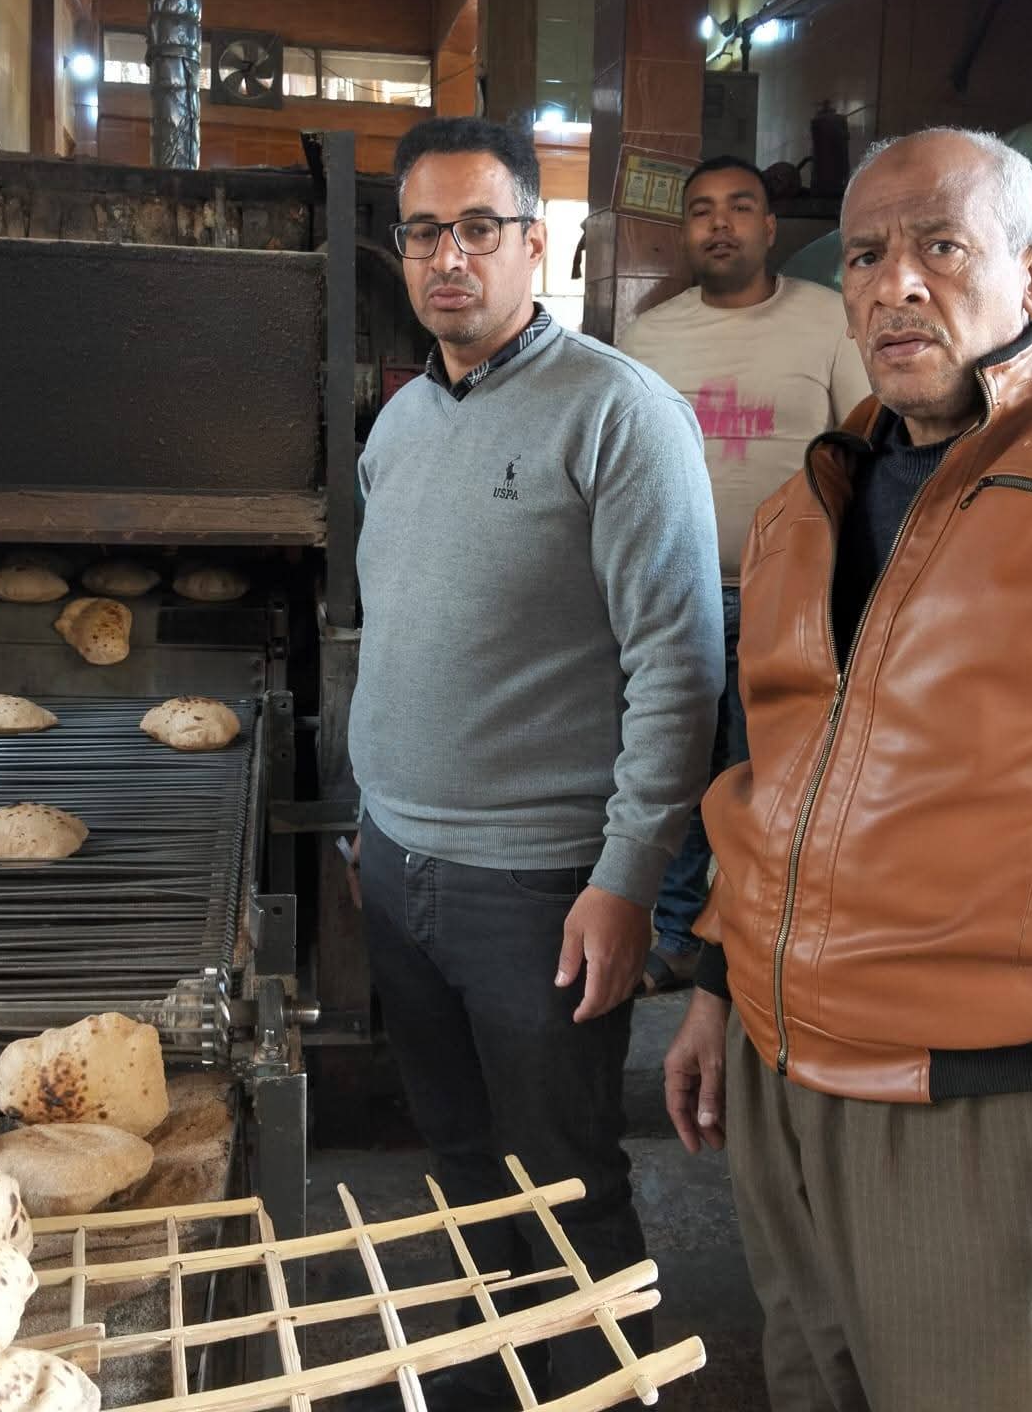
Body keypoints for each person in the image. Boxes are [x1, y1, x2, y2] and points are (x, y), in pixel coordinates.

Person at [663, 126, 1032, 1412]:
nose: (895, 283)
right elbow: (775, 776)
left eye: (942, 246)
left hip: (993, 1112)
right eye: (865, 255)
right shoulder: (812, 500)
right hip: (782, 1086)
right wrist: (714, 985)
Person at [349, 115, 723, 1402]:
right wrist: (369, 824)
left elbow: (679, 667)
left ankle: (601, 1389)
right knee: (460, 1166)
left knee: (567, 1183)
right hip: (397, 864)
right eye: (423, 232)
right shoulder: (401, 424)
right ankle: (491, 1384)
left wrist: (627, 879)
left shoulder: (620, 414)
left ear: (536, 242)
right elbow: (400, 633)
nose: (448, 257)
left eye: (478, 227)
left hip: (540, 887)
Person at [617, 155, 869, 992]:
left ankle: (764, 945)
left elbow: (866, 444)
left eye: (739, 207)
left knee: (777, 777)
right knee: (678, 774)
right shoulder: (648, 339)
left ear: (769, 227)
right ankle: (678, 933)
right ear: (684, 232)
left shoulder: (829, 321)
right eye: (701, 210)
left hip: (792, 600)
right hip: (676, 600)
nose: (719, 223)